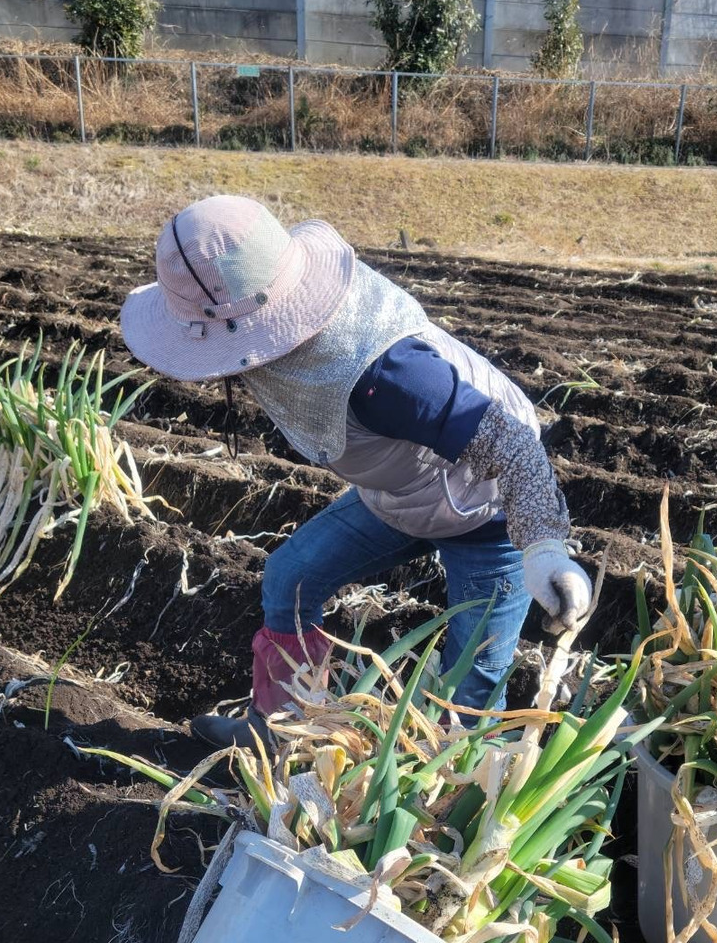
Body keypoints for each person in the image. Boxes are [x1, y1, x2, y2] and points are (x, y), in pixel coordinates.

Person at [121, 195, 592, 747]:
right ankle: (282, 731)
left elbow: (512, 445)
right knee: (291, 580)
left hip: (486, 509)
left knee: (470, 684)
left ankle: (459, 785)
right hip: (401, 493)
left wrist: (543, 548)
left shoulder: (389, 378)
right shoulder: (281, 334)